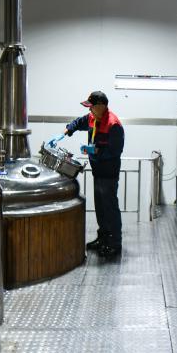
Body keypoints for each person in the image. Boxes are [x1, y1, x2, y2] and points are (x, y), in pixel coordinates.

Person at [61, 91, 124, 257]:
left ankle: (114, 243)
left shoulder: (113, 124)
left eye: (92, 107)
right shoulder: (92, 118)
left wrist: (96, 151)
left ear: (101, 106)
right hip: (98, 171)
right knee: (100, 208)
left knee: (110, 208)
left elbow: (115, 151)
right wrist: (68, 129)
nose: (89, 110)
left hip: (108, 173)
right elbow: (79, 122)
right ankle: (103, 238)